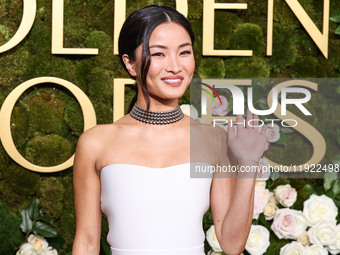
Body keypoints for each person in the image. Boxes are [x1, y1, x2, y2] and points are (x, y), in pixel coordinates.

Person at [72, 5, 267, 255]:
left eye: (184, 52)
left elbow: (231, 243)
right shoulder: (95, 142)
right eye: (159, 54)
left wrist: (249, 162)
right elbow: (87, 243)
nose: (175, 67)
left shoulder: (213, 140)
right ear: (130, 64)